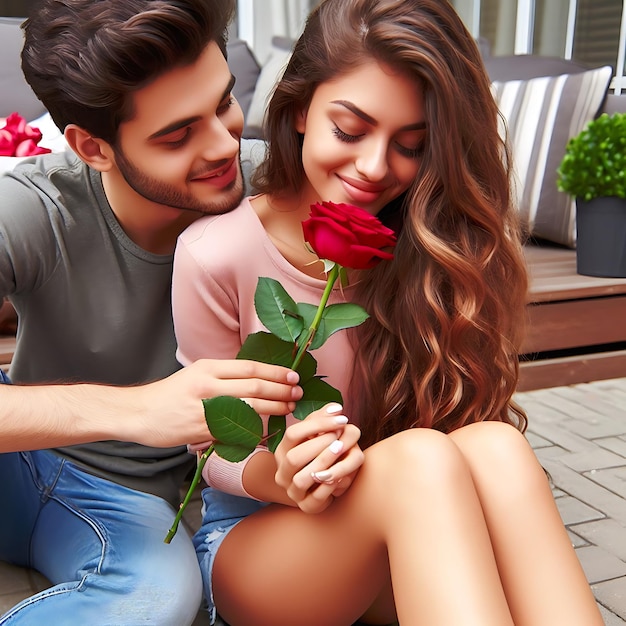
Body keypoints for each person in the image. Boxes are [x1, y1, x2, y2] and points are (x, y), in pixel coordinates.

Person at [171, 0, 605, 624]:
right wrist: (286, 475)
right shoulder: (217, 252)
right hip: (265, 547)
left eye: (411, 146)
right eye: (349, 131)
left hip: (405, 521)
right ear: (297, 111)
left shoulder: (427, 250)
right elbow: (209, 447)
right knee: (420, 459)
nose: (374, 168)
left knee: (496, 447)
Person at [0, 0, 303, 624]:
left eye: (223, 103)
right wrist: (140, 408)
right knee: (156, 597)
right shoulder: (33, 210)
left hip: (219, 480)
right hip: (66, 462)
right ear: (94, 147)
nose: (225, 146)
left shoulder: (266, 186)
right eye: (176, 134)